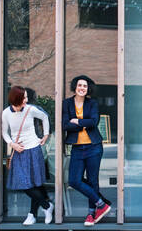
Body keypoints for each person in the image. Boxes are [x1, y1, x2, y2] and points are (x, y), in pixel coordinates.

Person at [62, 75, 111, 226]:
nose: (82, 88)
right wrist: (84, 123)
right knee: (74, 180)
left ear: (88, 88)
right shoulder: (67, 103)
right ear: (75, 87)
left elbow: (94, 122)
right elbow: (65, 124)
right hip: (77, 147)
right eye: (79, 85)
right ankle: (101, 204)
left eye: (85, 86)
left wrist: (76, 121)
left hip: (94, 146)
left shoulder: (92, 103)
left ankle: (91, 214)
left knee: (92, 180)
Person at [2, 86, 53, 225]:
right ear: (16, 99)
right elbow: (4, 133)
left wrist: (46, 135)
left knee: (35, 183)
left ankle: (32, 214)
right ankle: (47, 206)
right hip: (19, 151)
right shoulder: (6, 113)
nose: (26, 100)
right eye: (24, 97)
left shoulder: (30, 110)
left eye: (26, 97)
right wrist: (12, 144)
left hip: (33, 149)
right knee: (24, 184)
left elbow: (45, 117)